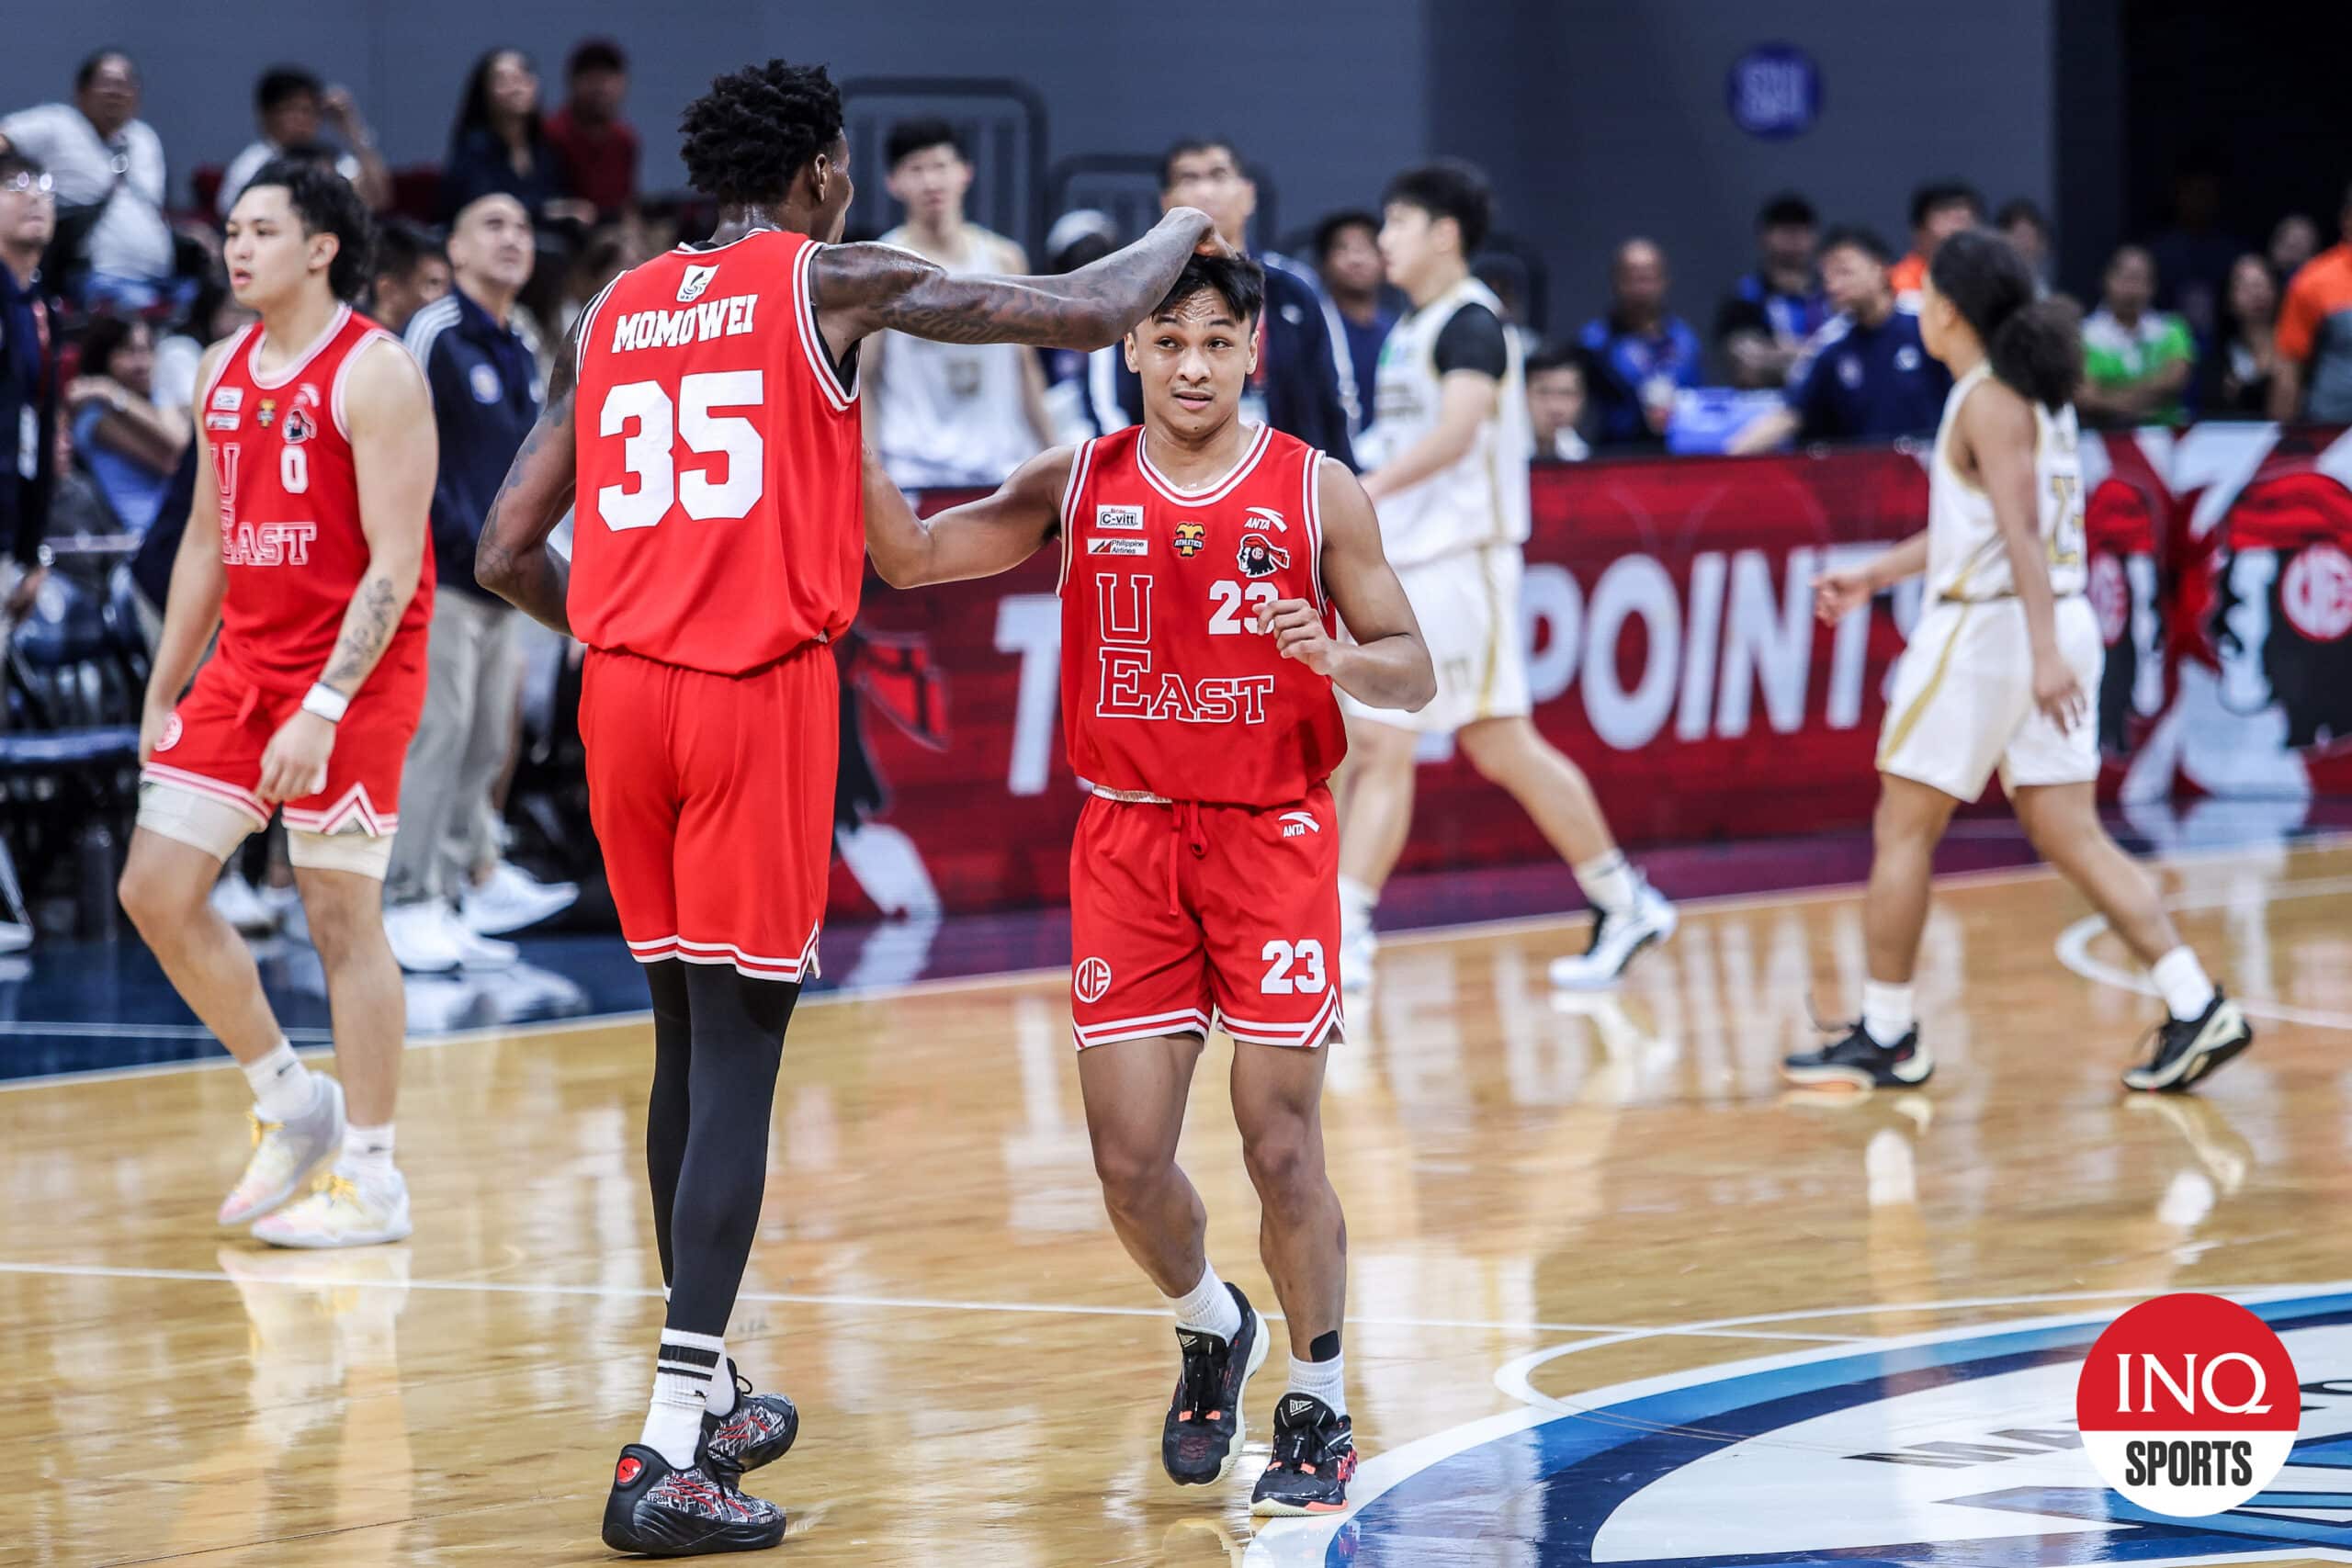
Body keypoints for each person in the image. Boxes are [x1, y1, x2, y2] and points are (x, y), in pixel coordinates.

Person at [471, 58, 1231, 1552]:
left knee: (682, 1039)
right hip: (754, 694)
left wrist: (631, 623)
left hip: (618, 690)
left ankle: (720, 1383)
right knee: (744, 1058)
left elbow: (504, 544)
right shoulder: (830, 277)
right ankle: (668, 1448)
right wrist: (1183, 225)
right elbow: (1081, 309)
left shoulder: (614, 309)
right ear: (820, 173)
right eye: (847, 174)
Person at [861, 252, 1431, 1517]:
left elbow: (1415, 668)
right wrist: (829, 392)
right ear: (1129, 349)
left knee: (1281, 1140)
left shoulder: (1313, 489)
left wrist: (1337, 652)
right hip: (1125, 842)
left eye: (1216, 342)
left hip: (1273, 839)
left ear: (1252, 353)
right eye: (1168, 340)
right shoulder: (1081, 478)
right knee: (1127, 1162)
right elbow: (908, 556)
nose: (1190, 365)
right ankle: (1212, 1320)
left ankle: (1321, 1396)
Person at [1784, 229, 2253, 1094]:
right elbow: (1984, 525)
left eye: (1927, 295)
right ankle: (2197, 1003)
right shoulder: (2031, 395)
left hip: (1996, 634)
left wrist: (2038, 651)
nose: (1918, 308)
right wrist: (1876, 573)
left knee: (1902, 828)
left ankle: (1888, 1032)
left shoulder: (1986, 398)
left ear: (1952, 308)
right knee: (2066, 828)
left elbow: (2021, 532)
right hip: (2046, 621)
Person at [115, 161, 438, 1248]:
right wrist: (167, 685)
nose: (235, 248)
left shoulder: (378, 371)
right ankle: (293, 1105)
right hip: (247, 665)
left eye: (261, 230)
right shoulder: (220, 368)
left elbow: (396, 562)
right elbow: (207, 541)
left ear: (321, 247)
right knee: (155, 888)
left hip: (360, 669)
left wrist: (327, 705)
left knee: (339, 913)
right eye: (230, 231)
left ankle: (376, 1176)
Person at [1343, 162, 1676, 993]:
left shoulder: (1472, 324)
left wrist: (1364, 492)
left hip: (1463, 563)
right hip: (1417, 563)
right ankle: (1622, 896)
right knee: (1485, 744)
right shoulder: (1412, 327)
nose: (1383, 240)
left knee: (1387, 738)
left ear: (1443, 233)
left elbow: (1458, 434)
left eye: (1397, 223)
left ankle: (1342, 931)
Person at [383, 193, 574, 972]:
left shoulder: (519, 340)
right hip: (442, 574)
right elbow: (400, 448)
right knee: (434, 736)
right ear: (453, 254)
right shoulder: (434, 334)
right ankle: (406, 898)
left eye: (522, 226)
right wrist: (441, 546)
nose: (513, 238)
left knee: (485, 740)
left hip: (501, 581)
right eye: (492, 224)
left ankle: (464, 882)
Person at [1101, 139, 1355, 467]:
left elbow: (1335, 396)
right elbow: (1108, 403)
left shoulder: (1295, 289)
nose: (1206, 192)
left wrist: (1332, 475)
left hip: (1284, 485)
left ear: (1248, 195)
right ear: (1166, 202)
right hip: (1165, 481)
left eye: (1219, 176)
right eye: (1189, 179)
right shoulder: (1137, 291)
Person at [862, 118, 1053, 489]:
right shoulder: (880, 268)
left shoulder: (1004, 259)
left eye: (941, 166)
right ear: (893, 182)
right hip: (915, 474)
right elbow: (865, 378)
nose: (931, 181)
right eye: (915, 170)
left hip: (1000, 471)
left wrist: (1051, 447)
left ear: (965, 172)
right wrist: (873, 479)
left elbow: (1025, 366)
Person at [1727, 225, 1951, 454]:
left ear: (1879, 268)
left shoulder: (1926, 320)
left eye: (1844, 272)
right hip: (1868, 477)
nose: (1833, 285)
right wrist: (1728, 456)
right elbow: (1790, 415)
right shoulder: (1830, 344)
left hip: (1934, 470)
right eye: (1827, 276)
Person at [0, 51, 176, 310]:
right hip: (98, 280)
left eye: (125, 84)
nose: (116, 92)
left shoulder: (145, 138)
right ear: (80, 92)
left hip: (163, 281)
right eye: (106, 82)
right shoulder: (58, 124)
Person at [0, 152, 58, 627]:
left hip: (10, 542)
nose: (34, 195)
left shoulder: (40, 307)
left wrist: (32, 551)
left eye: (42, 186)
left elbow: (34, 433)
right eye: (15, 186)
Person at [64, 314, 187, 533]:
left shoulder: (142, 400)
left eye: (147, 350)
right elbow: (176, 460)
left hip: (172, 530)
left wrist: (115, 393)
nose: (142, 363)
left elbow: (183, 443)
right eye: (129, 351)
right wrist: (116, 396)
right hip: (140, 540)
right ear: (104, 356)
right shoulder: (97, 417)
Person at [1575, 238, 1702, 448]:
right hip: (1617, 456)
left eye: (1648, 276)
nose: (1641, 286)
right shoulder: (1594, 342)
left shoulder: (1685, 340)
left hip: (1678, 455)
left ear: (1664, 279)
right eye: (1631, 276)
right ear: (1616, 280)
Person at [439, 49, 589, 226]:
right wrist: (546, 211)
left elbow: (558, 200)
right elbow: (484, 208)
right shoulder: (474, 149)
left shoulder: (545, 152)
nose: (516, 86)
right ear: (484, 91)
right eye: (503, 79)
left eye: (523, 76)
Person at [217, 66, 390, 219]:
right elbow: (232, 213)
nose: (301, 120)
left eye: (308, 110)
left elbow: (377, 198)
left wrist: (353, 130)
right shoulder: (253, 163)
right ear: (267, 116)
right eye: (290, 110)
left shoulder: (333, 159)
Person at [1714, 192, 1826, 389]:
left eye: (1801, 231)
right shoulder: (1745, 297)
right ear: (1765, 236)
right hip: (1766, 406)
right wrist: (1817, 354)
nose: (1793, 240)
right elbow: (1746, 366)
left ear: (1814, 237)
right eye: (1785, 231)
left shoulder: (1831, 293)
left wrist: (1779, 351)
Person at [2078, 244, 2195, 428]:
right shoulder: (2082, 334)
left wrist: (2111, 395)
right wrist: (2145, 401)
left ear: (2152, 286)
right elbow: (2086, 396)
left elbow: (2175, 380)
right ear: (2106, 280)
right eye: (2125, 278)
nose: (2131, 289)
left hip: (2166, 441)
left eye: (2139, 279)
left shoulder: (2173, 329)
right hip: (2104, 444)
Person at [2270, 181, 2352, 425]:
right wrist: (2278, 447)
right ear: (2347, 220)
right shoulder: (2313, 281)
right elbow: (2289, 372)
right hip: (2330, 435)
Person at [1313, 209, 1395, 435]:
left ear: (1385, 260)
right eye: (1342, 248)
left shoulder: (1399, 332)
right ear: (1324, 263)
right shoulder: (1314, 331)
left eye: (1367, 247)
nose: (1356, 259)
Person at [544, 39, 638, 220]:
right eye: (592, 78)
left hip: (610, 235)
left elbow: (627, 205)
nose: (601, 88)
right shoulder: (550, 134)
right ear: (573, 83)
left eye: (608, 78)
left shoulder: (625, 139)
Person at [2195, 254, 2278, 418]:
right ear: (2228, 300)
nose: (2257, 294)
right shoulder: (2218, 359)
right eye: (2246, 287)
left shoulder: (2294, 348)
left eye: (2263, 284)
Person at [1887, 181, 1984, 305]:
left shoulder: (1993, 285)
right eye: (1946, 219)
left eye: (1965, 220)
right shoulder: (1894, 286)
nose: (1957, 229)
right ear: (1919, 231)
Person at [367, 219, 451, 335]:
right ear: (388, 290)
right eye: (433, 284)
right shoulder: (357, 346)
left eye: (448, 286)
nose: (445, 299)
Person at [1524, 341, 1589, 459]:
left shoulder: (1589, 465)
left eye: (1566, 394)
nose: (1555, 408)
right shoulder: (1499, 458)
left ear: (1581, 399)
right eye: (1544, 393)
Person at [1996, 197, 2052, 292]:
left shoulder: (2045, 292)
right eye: (2018, 236)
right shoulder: (1993, 291)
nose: (2024, 244)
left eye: (2029, 236)